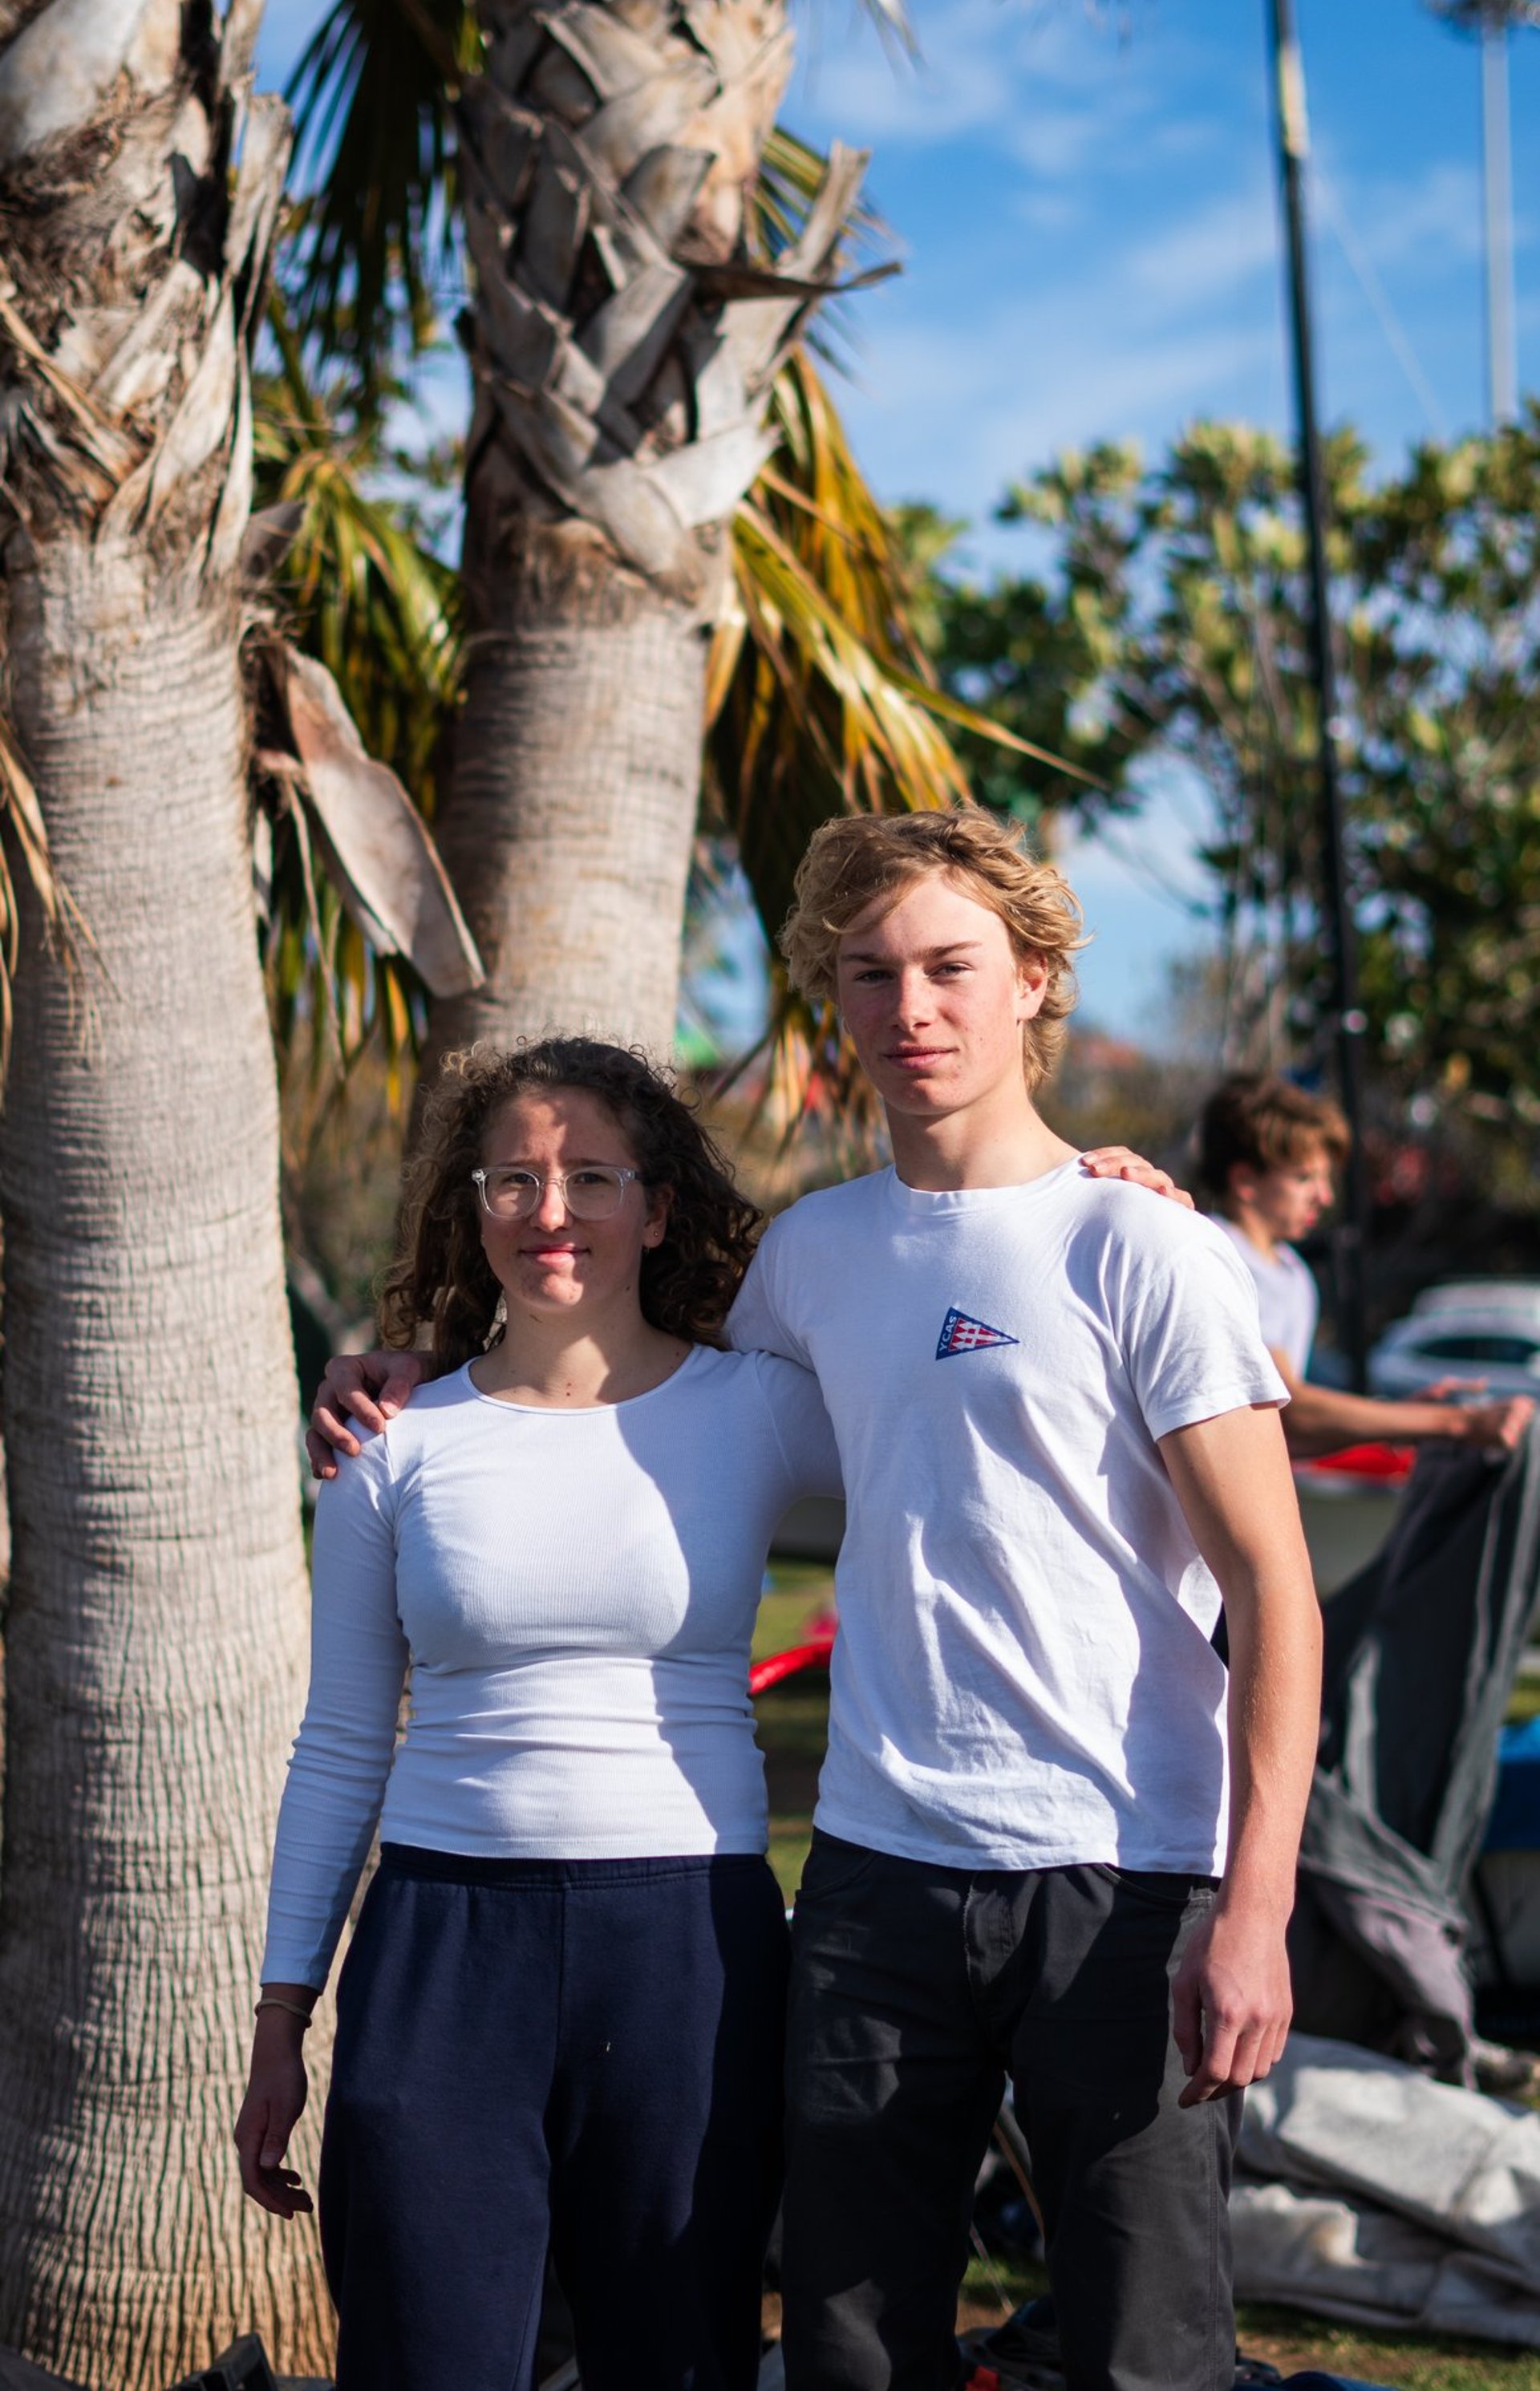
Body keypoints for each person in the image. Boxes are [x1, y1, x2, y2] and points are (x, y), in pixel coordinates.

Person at [313, 806, 1323, 2391]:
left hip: (1127, 1880)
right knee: (849, 2349)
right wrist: (418, 1365)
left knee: (1147, 2353)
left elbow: (1278, 1589)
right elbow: (607, 1361)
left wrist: (1256, 1906)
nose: (910, 1007)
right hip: (871, 1880)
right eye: (871, 974)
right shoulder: (809, 1256)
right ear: (836, 1003)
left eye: (950, 967)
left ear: (1035, 980)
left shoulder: (1143, 1248)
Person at [237, 1038, 844, 2391]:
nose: (550, 1211)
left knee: (679, 2363)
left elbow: (967, 1418)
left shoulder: (764, 1409)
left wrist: (1083, 1198)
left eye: (590, 1175)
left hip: (689, 1946)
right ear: (473, 1203)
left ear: (661, 1205)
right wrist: (284, 2011)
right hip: (444, 1953)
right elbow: (343, 1741)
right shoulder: (391, 1442)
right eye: (513, 1175)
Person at [1198, 1072, 1533, 1456]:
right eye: (1304, 1178)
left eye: (1326, 1180)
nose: (1324, 1197)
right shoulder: (1217, 1254)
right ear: (1245, 1180)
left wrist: (1398, 1419)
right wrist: (1458, 1421)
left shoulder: (1290, 1271)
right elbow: (1288, 1409)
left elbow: (1282, 1435)